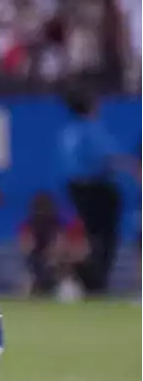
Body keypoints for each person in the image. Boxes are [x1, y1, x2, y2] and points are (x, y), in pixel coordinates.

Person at [58, 91, 139, 294]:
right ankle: (96, 281)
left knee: (92, 235)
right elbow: (108, 158)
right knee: (104, 238)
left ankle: (91, 280)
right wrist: (133, 167)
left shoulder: (69, 132)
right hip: (96, 189)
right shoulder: (91, 130)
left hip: (77, 189)